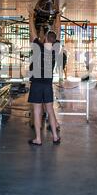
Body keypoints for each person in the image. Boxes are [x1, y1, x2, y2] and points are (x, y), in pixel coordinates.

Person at [28, 8, 61, 146]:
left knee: (37, 112)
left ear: (45, 38)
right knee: (50, 110)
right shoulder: (55, 50)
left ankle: (38, 139)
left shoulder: (37, 47)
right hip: (47, 85)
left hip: (36, 84)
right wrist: (58, 17)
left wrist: (30, 17)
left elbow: (32, 32)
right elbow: (57, 32)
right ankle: (55, 137)